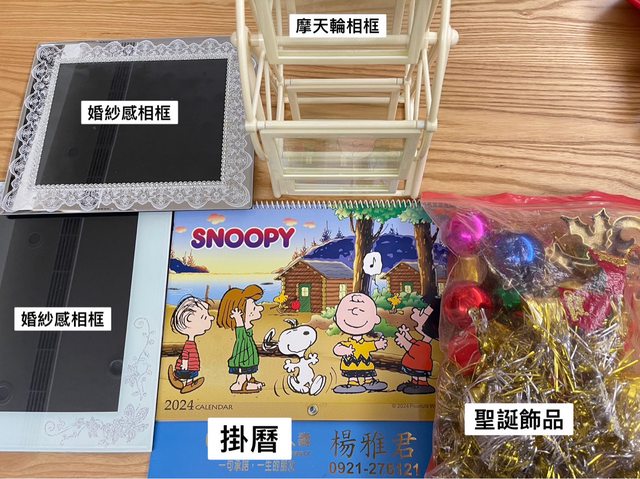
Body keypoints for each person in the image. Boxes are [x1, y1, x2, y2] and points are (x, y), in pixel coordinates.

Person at [332, 292, 388, 394]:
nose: (356, 312)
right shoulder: (348, 344)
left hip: (366, 365)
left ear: (375, 319)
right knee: (352, 375)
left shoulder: (365, 344)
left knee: (368, 373)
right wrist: (345, 350)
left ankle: (369, 382)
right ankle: (353, 384)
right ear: (336, 319)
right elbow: (337, 349)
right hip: (350, 365)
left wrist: (379, 344)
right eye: (349, 312)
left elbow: (371, 345)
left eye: (362, 311)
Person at [218, 284, 265, 393]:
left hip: (248, 358)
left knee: (248, 372)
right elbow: (240, 331)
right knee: (243, 374)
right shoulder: (241, 329)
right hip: (243, 359)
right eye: (254, 307)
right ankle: (240, 384)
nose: (260, 308)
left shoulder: (248, 328)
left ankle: (249, 381)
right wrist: (238, 319)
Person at [168, 296, 214, 394]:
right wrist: (185, 365)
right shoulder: (189, 344)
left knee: (189, 375)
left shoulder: (191, 343)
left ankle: (187, 383)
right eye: (204, 317)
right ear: (190, 319)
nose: (212, 318)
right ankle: (177, 379)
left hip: (192, 367)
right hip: (187, 367)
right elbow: (185, 354)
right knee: (186, 374)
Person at [394, 306, 435, 394]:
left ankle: (423, 386)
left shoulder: (426, 346)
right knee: (415, 375)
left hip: (421, 367)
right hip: (414, 365)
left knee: (420, 376)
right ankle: (414, 384)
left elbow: (413, 349)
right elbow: (414, 342)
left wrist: (404, 341)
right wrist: (407, 335)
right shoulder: (423, 342)